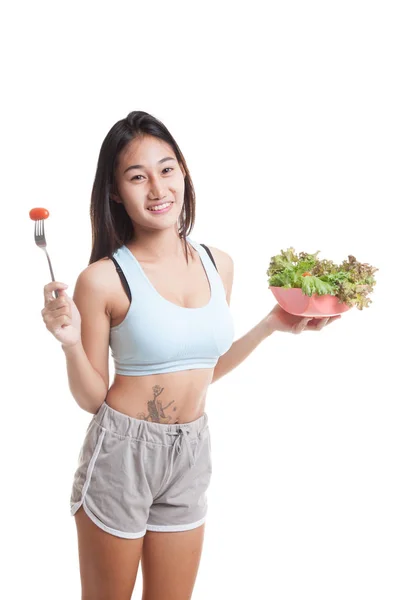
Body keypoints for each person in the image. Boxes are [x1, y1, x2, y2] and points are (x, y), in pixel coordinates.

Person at [41, 110, 341, 600]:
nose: (157, 189)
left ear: (184, 172)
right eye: (138, 176)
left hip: (191, 451)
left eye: (167, 169)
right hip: (122, 453)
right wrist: (72, 343)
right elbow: (92, 397)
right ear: (116, 191)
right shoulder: (101, 279)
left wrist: (271, 325)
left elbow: (203, 369)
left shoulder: (217, 263)